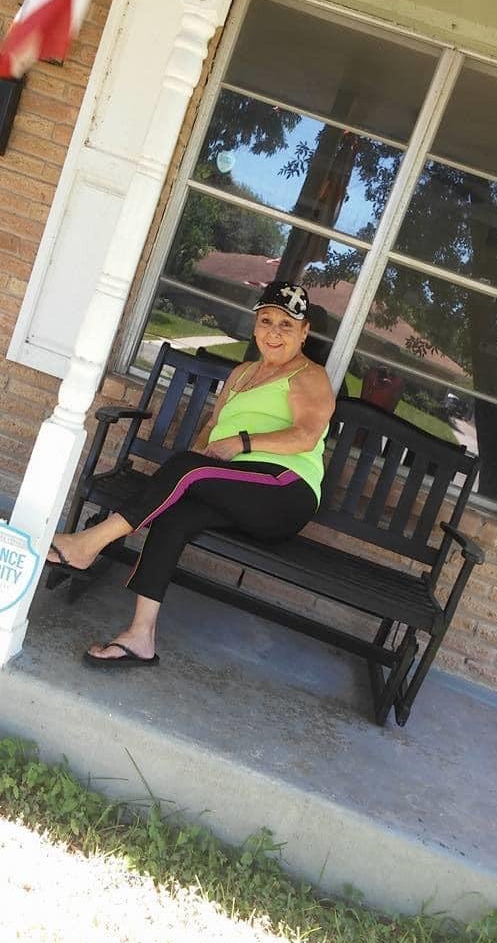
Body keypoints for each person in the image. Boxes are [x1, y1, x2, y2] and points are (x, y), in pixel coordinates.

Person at [47, 281, 336, 667]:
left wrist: (241, 444)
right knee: (174, 514)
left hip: (284, 491)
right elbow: (212, 426)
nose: (274, 332)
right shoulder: (242, 374)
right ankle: (140, 637)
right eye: (267, 321)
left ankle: (87, 544)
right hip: (236, 487)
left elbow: (306, 435)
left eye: (287, 324)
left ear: (304, 332)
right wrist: (197, 461)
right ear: (255, 326)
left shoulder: (309, 375)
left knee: (186, 468)